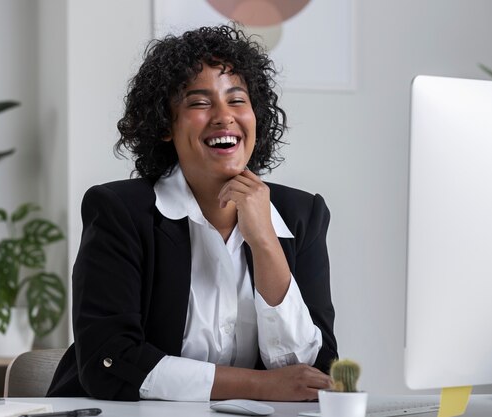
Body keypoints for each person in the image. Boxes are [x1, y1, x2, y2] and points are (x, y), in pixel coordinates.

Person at [47, 25, 337, 402]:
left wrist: (266, 242)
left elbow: (313, 370)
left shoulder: (301, 214)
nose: (223, 117)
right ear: (166, 125)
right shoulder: (121, 212)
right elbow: (111, 362)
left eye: (237, 100)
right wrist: (260, 386)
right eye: (200, 103)